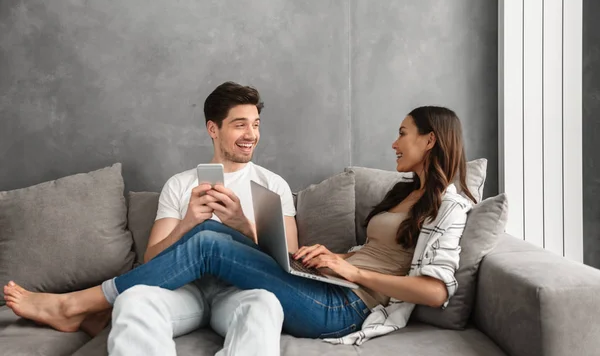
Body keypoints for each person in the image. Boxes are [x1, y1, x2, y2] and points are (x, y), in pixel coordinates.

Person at [4, 105, 476, 345]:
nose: (394, 142)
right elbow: (378, 251)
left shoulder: (449, 206)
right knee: (214, 230)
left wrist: (352, 273)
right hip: (326, 284)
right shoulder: (402, 192)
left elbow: (436, 290)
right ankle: (89, 307)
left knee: (208, 240)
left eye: (403, 133)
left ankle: (78, 305)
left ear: (430, 140)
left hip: (347, 306)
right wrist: (331, 260)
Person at [5, 81, 298, 356]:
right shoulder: (180, 185)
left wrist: (242, 226)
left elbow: (289, 263)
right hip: (186, 292)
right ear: (213, 129)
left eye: (255, 125)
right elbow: (152, 259)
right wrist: (187, 224)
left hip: (240, 292)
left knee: (265, 304)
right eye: (240, 125)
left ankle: (78, 305)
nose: (251, 135)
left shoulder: (272, 186)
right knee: (133, 299)